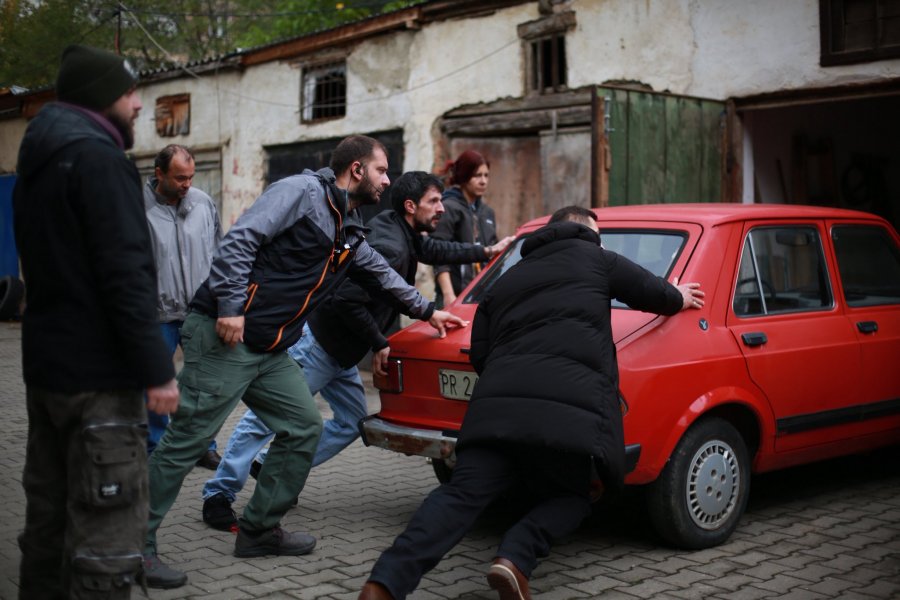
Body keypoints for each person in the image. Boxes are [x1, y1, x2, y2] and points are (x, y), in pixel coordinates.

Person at [142, 136, 467, 589]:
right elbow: (240, 241)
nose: (388, 180)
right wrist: (232, 305)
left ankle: (258, 528)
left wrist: (427, 310)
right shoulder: (299, 193)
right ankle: (132, 545)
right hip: (226, 334)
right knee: (185, 442)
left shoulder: (348, 220)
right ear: (356, 170)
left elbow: (373, 267)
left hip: (271, 346)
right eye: (382, 170)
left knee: (302, 427)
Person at [358, 205, 706, 600]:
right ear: (587, 233)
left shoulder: (507, 279)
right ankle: (514, 558)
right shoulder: (597, 259)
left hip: (495, 411)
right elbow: (653, 293)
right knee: (572, 496)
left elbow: (481, 354)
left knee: (459, 497)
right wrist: (679, 295)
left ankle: (383, 584)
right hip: (565, 415)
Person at [201, 171, 514, 531]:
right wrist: (381, 341)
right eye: (434, 201)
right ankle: (218, 494)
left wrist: (485, 251)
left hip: (344, 353)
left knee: (352, 421)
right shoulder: (391, 246)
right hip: (321, 345)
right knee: (263, 420)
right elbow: (343, 300)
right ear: (411, 207)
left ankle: (272, 466)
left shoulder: (401, 228)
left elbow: (433, 249)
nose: (442, 208)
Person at [12, 44, 180, 599]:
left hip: (49, 374)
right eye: (130, 92)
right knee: (105, 541)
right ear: (102, 97)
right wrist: (157, 369)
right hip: (99, 383)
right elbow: (125, 272)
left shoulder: (38, 158)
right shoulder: (98, 160)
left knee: (49, 525)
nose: (137, 105)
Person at [144, 144, 223, 469]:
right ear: (159, 173)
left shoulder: (203, 203)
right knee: (156, 382)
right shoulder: (137, 207)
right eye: (179, 178)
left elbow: (220, 252)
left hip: (200, 311)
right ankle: (157, 446)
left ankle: (204, 445)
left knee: (205, 385)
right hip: (156, 314)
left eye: (190, 177)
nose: (187, 184)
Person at [432, 149, 498, 307]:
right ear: (464, 176)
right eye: (477, 175)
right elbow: (438, 255)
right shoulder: (448, 208)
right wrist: (449, 295)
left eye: (486, 175)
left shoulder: (487, 212)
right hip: (455, 296)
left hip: (482, 296)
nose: (483, 181)